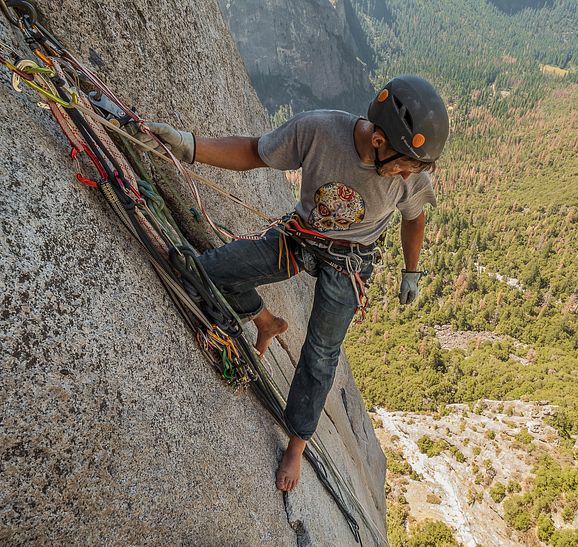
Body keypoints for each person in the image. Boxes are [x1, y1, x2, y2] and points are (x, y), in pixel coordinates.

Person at [140, 75, 449, 492]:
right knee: (211, 270)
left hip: (349, 261)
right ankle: (265, 320)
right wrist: (189, 145)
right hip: (302, 237)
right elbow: (254, 151)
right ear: (380, 140)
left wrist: (412, 270)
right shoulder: (319, 130)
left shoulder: (408, 175)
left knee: (321, 353)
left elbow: (414, 217)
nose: (411, 172)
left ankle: (296, 444)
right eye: (407, 162)